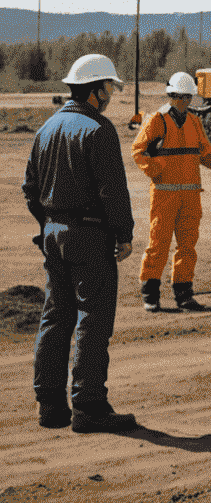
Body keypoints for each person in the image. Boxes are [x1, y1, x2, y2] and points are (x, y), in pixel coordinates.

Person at [22, 53, 137, 433]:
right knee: (93, 319)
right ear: (95, 89)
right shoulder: (98, 130)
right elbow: (113, 192)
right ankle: (89, 406)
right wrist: (123, 233)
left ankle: (50, 406)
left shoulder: (48, 128)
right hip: (89, 238)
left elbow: (30, 190)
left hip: (54, 235)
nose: (111, 95)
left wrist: (50, 225)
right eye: (109, 88)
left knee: (55, 317)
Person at [132, 71, 211, 314]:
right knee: (159, 244)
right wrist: (154, 167)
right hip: (164, 195)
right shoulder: (157, 121)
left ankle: (184, 294)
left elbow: (204, 153)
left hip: (190, 195)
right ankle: (150, 295)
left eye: (187, 97)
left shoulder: (195, 123)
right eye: (179, 97)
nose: (184, 102)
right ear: (171, 96)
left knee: (188, 246)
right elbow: (138, 151)